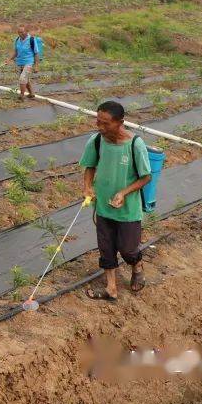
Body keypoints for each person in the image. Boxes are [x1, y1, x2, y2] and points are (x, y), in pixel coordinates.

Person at [81, 100, 152, 302]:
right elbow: (89, 166)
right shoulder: (96, 141)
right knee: (106, 248)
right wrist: (88, 187)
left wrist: (124, 192)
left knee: (128, 248)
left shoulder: (135, 144)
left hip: (127, 209)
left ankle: (136, 266)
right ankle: (111, 288)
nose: (100, 127)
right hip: (103, 206)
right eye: (98, 121)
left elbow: (146, 176)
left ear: (120, 122)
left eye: (105, 123)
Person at [11, 25, 40, 98]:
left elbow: (36, 53)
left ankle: (21, 96)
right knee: (25, 79)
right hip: (19, 62)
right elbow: (16, 52)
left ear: (26, 31)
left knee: (22, 78)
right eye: (19, 32)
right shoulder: (17, 40)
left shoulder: (31, 40)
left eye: (22, 32)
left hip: (28, 62)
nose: (20, 34)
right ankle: (32, 93)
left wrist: (36, 66)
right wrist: (9, 59)